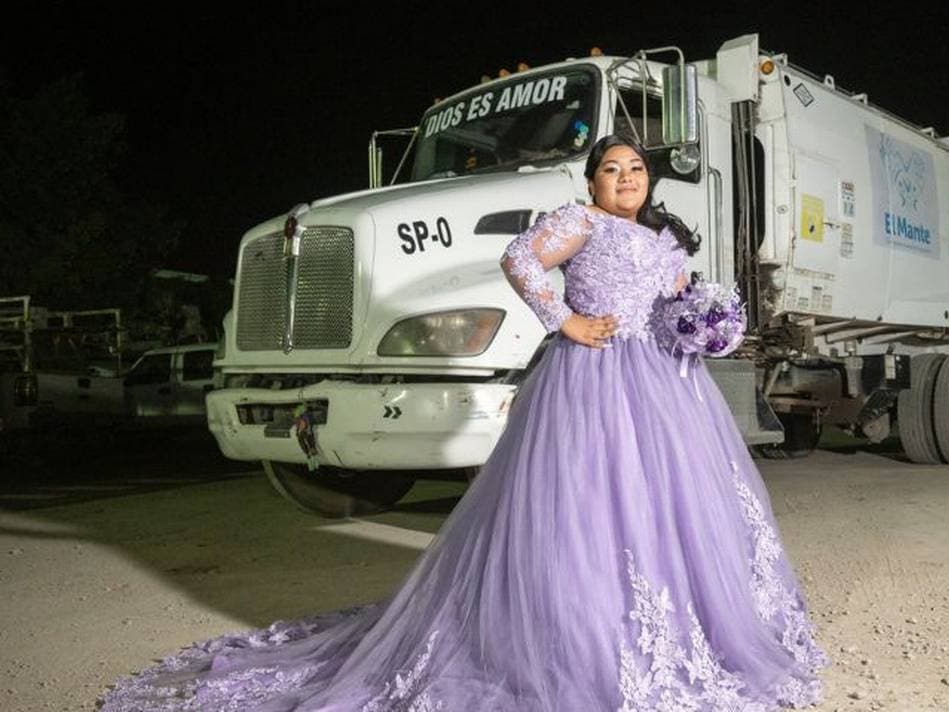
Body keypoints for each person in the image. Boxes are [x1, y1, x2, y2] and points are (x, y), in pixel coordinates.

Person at [98, 135, 826, 710]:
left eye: (636, 168)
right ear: (592, 181)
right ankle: (581, 636)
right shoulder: (582, 223)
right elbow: (519, 258)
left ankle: (680, 628)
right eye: (612, 168)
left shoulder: (665, 240)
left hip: (666, 388)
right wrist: (565, 319)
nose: (627, 177)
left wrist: (707, 329)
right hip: (594, 377)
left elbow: (675, 306)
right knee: (589, 507)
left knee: (668, 508)